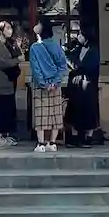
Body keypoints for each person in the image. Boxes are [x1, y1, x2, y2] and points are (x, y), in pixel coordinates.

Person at [29, 15, 68, 153]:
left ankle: (41, 143)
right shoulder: (56, 46)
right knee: (55, 113)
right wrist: (55, 82)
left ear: (42, 27)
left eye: (38, 23)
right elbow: (63, 66)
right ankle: (52, 143)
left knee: (41, 114)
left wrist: (44, 84)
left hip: (40, 87)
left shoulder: (34, 48)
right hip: (55, 86)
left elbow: (36, 69)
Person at [65, 25, 101, 145]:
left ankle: (88, 136)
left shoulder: (94, 50)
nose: (79, 36)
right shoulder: (77, 48)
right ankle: (75, 135)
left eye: (81, 34)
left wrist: (83, 76)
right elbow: (72, 61)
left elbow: (92, 67)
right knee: (74, 108)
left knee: (88, 109)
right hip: (76, 83)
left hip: (88, 84)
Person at [0, 19, 21, 146]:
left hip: (9, 83)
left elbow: (17, 55)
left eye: (10, 28)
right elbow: (2, 63)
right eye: (7, 28)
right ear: (1, 30)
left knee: (8, 110)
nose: (10, 30)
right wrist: (17, 60)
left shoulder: (8, 44)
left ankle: (6, 135)